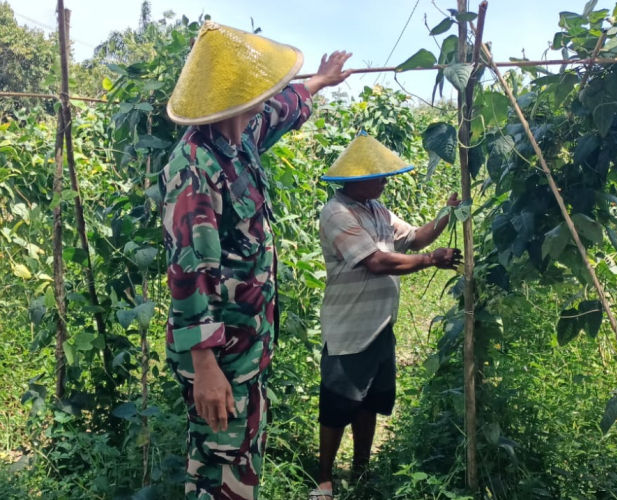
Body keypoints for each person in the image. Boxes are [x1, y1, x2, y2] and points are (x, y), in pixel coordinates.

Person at [159, 21, 352, 500]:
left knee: (236, 459)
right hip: (219, 357)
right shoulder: (195, 167)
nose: (267, 97)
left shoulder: (239, 138)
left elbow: (286, 108)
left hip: (245, 348)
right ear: (240, 96)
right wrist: (204, 365)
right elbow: (189, 272)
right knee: (219, 471)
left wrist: (322, 80)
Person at [310, 133, 463, 500]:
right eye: (379, 176)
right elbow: (376, 262)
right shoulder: (336, 213)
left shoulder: (378, 211)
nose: (385, 181)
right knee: (337, 402)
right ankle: (324, 479)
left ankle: (361, 469)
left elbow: (415, 239)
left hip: (379, 325)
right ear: (357, 178)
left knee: (370, 400)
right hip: (349, 326)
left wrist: (447, 212)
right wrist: (430, 262)